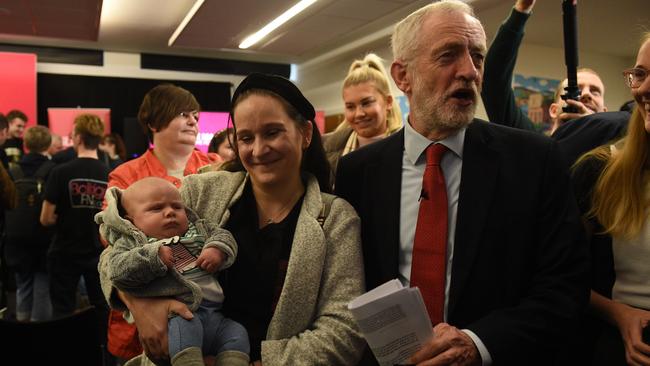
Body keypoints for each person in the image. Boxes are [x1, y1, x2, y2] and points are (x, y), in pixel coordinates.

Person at [335, 1, 589, 365]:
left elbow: (565, 288)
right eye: (448, 55)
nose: (469, 71)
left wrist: (476, 344)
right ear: (403, 76)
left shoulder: (534, 161)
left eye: (478, 57)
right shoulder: (356, 173)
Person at [99, 73, 365, 365]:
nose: (259, 149)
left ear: (305, 133)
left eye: (273, 132)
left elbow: (344, 329)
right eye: (246, 138)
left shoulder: (334, 218)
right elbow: (114, 253)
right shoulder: (200, 191)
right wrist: (139, 305)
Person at [103, 83, 219, 363]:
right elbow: (110, 245)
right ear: (153, 122)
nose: (193, 120)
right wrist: (140, 306)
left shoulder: (216, 167)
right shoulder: (125, 176)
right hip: (141, 332)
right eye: (182, 113)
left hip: (210, 320)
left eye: (195, 115)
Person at [97, 177, 249, 365]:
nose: (170, 212)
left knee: (237, 332)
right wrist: (153, 259)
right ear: (131, 221)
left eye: (177, 207)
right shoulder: (133, 243)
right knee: (185, 333)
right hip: (178, 316)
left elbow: (223, 235)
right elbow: (116, 270)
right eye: (156, 209)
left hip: (216, 316)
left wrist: (217, 248)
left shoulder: (197, 228)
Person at [571, 33, 650, 366]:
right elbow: (559, 276)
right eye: (641, 74)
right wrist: (619, 313)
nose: (643, 89)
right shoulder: (600, 169)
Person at [482, 0, 607, 135]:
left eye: (595, 91)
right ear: (553, 110)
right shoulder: (531, 143)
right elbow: (492, 81)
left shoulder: (616, 154)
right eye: (577, 89)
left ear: (605, 113)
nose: (586, 94)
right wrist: (522, 9)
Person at [39, 114, 110, 348]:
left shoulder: (60, 172)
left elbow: (46, 218)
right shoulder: (110, 174)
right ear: (98, 139)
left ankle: (65, 354)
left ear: (77, 137)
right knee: (102, 312)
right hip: (98, 254)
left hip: (64, 251)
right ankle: (101, 357)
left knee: (62, 312)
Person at [323, 53, 403, 179]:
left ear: (388, 102)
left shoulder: (406, 148)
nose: (359, 114)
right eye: (350, 107)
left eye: (366, 103)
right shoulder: (326, 149)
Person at [4, 126, 55, 322]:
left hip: (15, 240)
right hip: (44, 239)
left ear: (24, 145)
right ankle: (39, 337)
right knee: (43, 288)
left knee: (22, 286)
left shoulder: (11, 171)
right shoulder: (53, 170)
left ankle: (22, 331)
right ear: (49, 145)